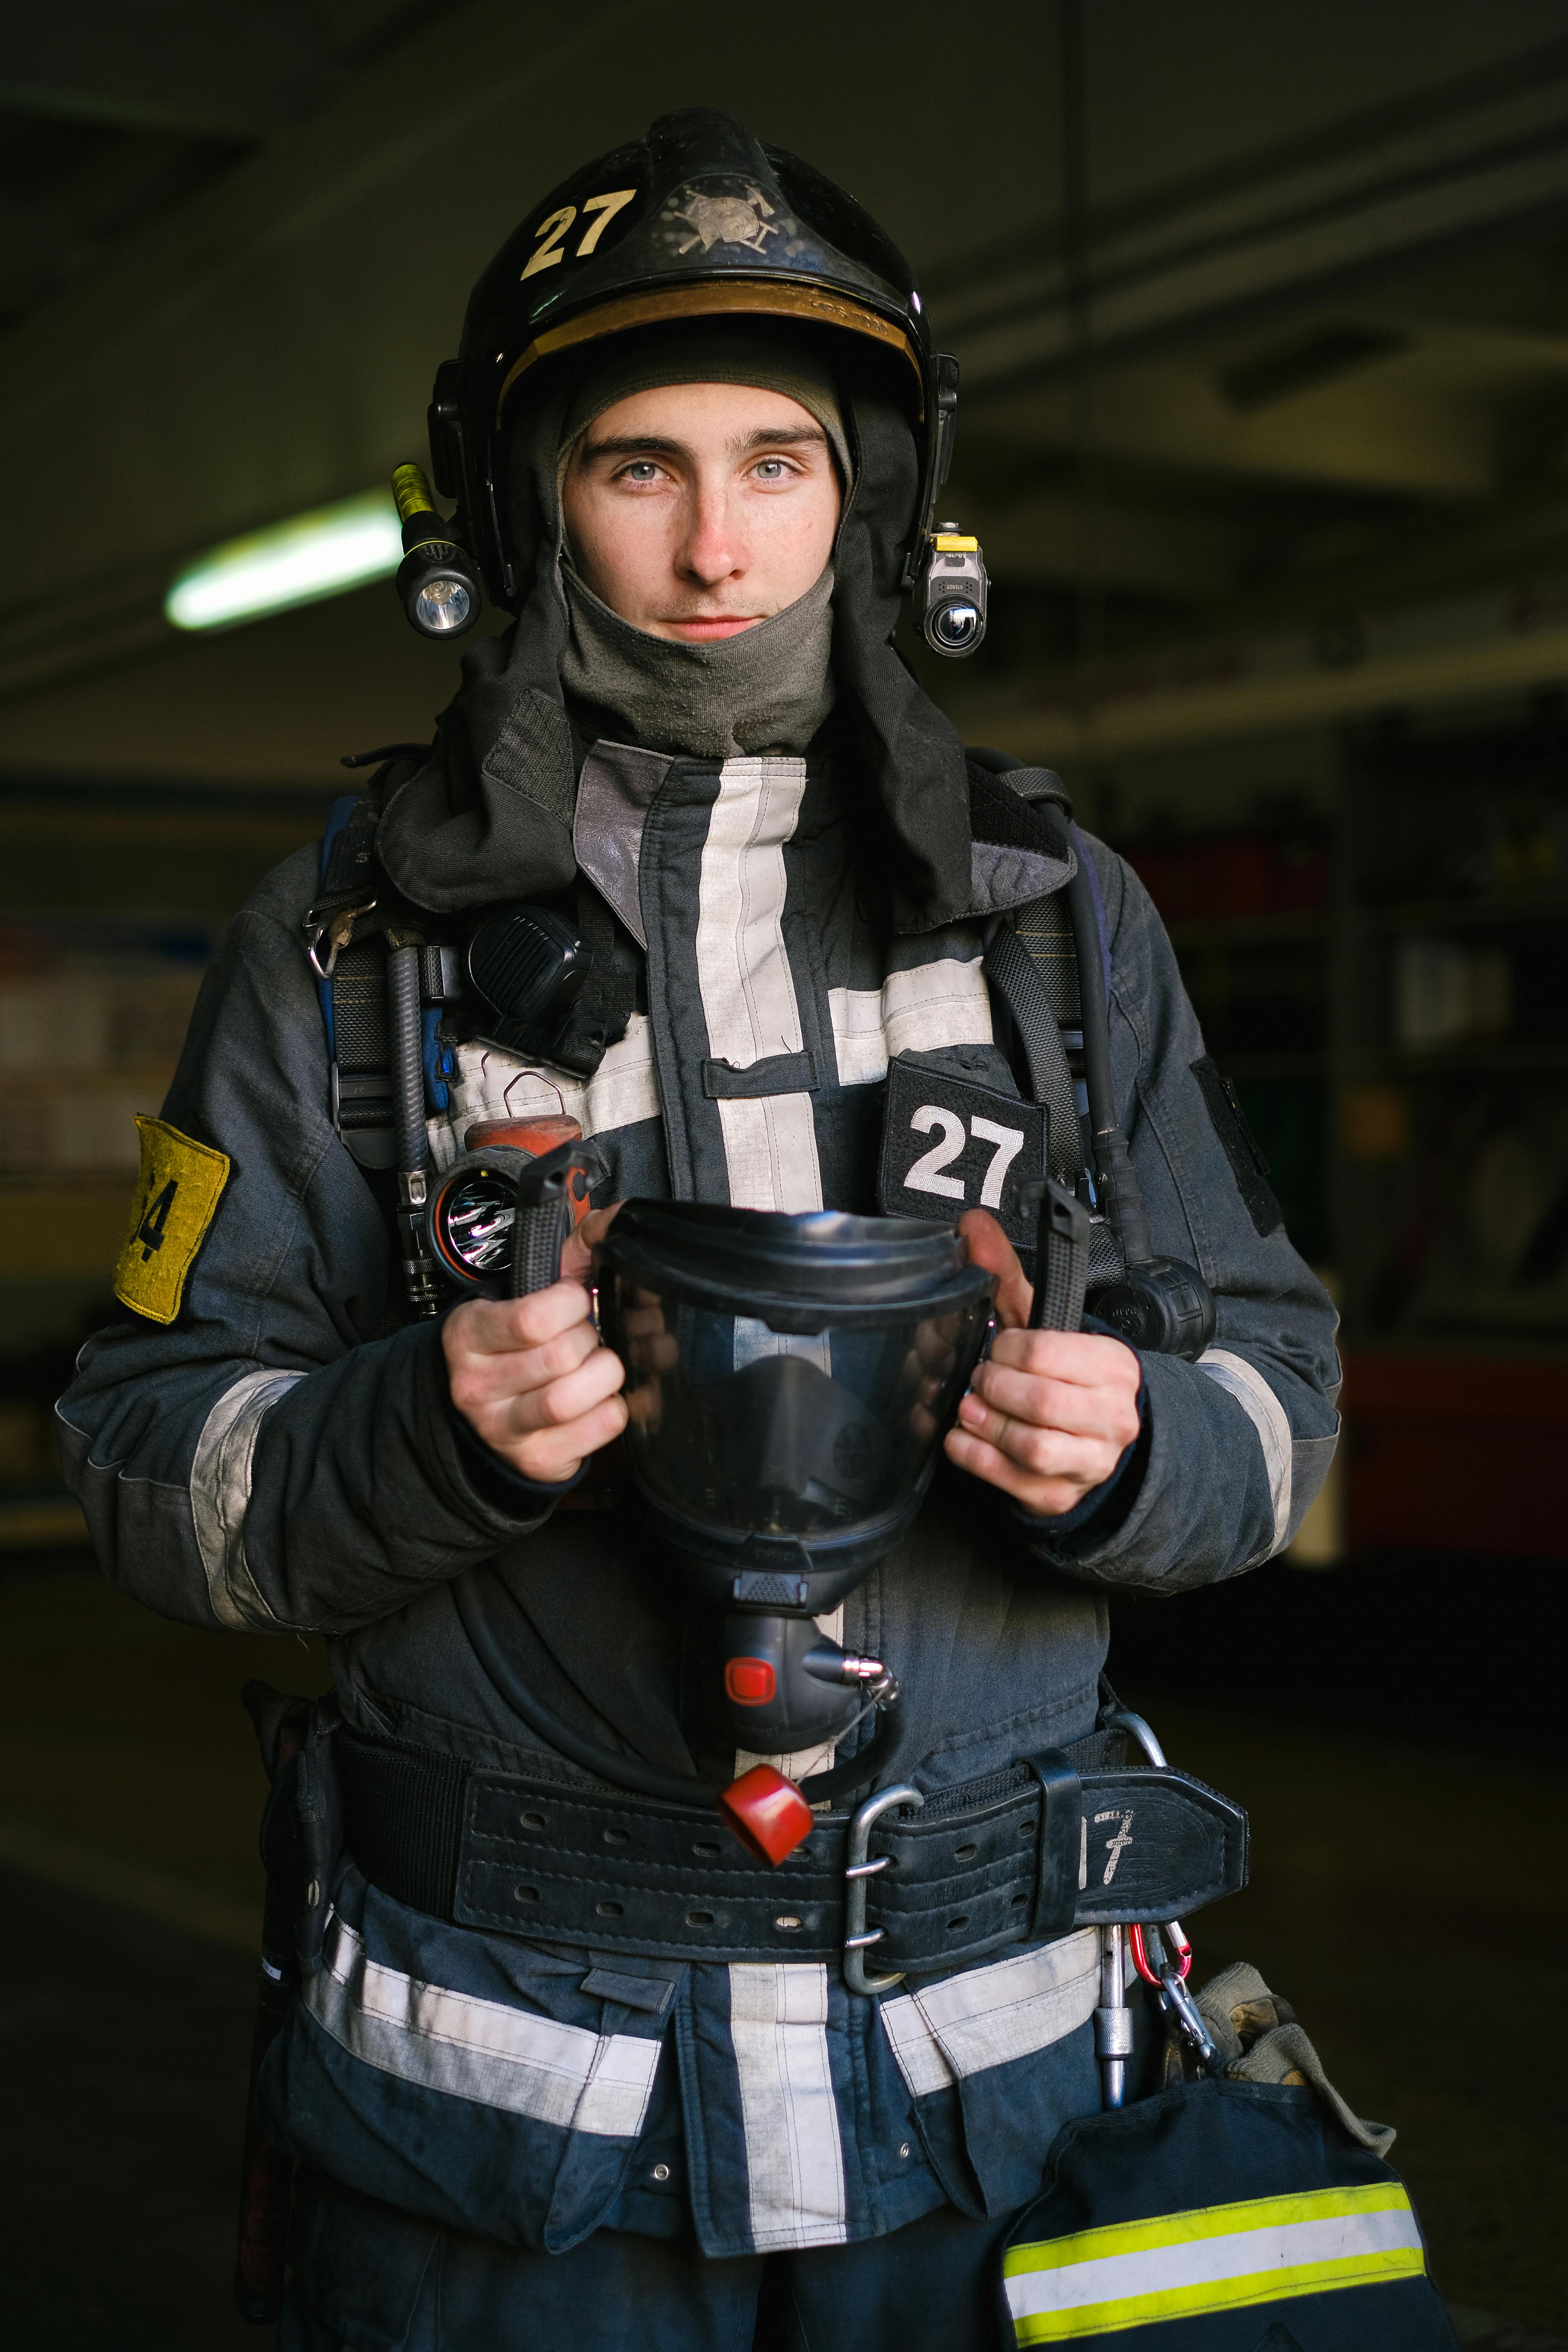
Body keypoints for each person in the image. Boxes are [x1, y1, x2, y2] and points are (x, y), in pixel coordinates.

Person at [57, 108, 1339, 2352]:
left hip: (996, 2101)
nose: (715, 541)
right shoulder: (346, 940)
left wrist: (1142, 1445)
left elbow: (1284, 1399)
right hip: (499, 2137)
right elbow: (147, 1461)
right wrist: (419, 1431)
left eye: (780, 459)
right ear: (523, 499)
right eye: (639, 464)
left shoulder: (1058, 921)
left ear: (880, 500)